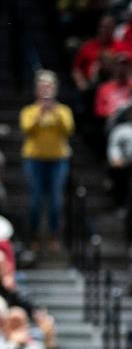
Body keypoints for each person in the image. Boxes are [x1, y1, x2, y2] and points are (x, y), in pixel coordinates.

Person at [19, 70, 75, 252]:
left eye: (49, 86)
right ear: (37, 89)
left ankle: (54, 236)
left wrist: (54, 112)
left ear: (55, 89)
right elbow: (27, 129)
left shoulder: (63, 110)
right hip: (34, 160)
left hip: (58, 160)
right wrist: (40, 112)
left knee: (56, 200)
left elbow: (68, 129)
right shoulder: (29, 111)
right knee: (35, 199)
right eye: (42, 85)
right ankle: (34, 236)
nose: (46, 89)